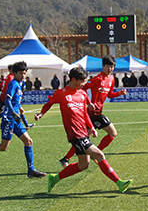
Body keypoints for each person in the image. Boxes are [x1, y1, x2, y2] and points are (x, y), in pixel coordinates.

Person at [34, 66, 132, 194]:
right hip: (74, 134)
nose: (83, 84)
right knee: (99, 155)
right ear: (73, 79)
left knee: (83, 165)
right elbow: (49, 103)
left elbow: (85, 113)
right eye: (81, 81)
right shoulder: (62, 93)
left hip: (83, 132)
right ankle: (119, 182)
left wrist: (91, 127)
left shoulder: (83, 94)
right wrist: (41, 113)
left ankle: (55, 178)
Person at [57, 55, 127, 168]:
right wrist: (89, 103)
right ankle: (95, 153)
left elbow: (109, 94)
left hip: (98, 113)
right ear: (103, 66)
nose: (110, 69)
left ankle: (66, 158)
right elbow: (81, 90)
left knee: (85, 138)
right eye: (108, 66)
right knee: (111, 133)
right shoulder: (97, 79)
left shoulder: (111, 79)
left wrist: (119, 94)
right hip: (91, 114)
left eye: (112, 67)